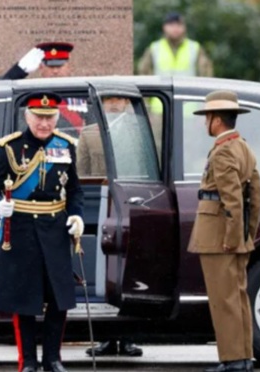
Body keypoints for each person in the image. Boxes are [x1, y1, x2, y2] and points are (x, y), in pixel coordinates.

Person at [0, 92, 84, 372]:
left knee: (58, 299)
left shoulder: (66, 146)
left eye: (50, 118)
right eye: (39, 117)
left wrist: (76, 215)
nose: (44, 123)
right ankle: (28, 361)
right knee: (24, 299)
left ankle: (53, 359)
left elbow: (74, 190)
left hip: (55, 231)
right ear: (28, 116)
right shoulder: (9, 148)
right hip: (22, 230)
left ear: (57, 118)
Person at [188, 90, 260, 372]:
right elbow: (255, 196)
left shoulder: (224, 151)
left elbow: (232, 199)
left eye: (207, 117)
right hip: (235, 235)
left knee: (224, 300)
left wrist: (232, 239)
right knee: (238, 297)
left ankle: (232, 360)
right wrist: (245, 235)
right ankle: (243, 357)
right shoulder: (243, 146)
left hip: (219, 236)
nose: (205, 122)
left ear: (216, 120)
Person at [77, 96, 144, 357]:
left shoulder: (138, 132)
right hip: (101, 204)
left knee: (128, 268)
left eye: (120, 99)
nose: (115, 104)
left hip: (130, 202)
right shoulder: (90, 134)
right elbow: (81, 171)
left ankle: (128, 336)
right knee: (104, 269)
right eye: (110, 100)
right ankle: (106, 336)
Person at [0, 42, 86, 135]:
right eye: (51, 66)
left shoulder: (82, 93)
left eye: (59, 66)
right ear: (41, 67)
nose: (55, 71)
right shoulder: (31, 95)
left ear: (69, 67)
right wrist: (18, 71)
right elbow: (0, 91)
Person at [137, 11, 213, 77]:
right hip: (161, 93)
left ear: (184, 27)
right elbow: (144, 73)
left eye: (179, 25)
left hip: (186, 93)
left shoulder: (195, 48)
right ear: (164, 27)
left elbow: (206, 74)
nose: (175, 28)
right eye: (171, 25)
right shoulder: (154, 48)